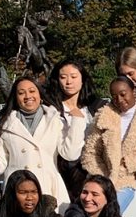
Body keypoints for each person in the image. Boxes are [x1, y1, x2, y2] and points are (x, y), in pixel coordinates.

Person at [0, 75, 84, 210]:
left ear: (40, 94)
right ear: (15, 98)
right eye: (21, 93)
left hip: (49, 189)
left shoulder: (55, 119)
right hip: (18, 193)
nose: (27, 96)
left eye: (32, 91)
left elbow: (70, 154)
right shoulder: (6, 124)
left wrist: (77, 122)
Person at [82, 76, 136, 215]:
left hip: (132, 180)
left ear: (134, 92)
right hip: (103, 181)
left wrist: (129, 161)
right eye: (114, 96)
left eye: (123, 94)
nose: (119, 100)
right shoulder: (103, 116)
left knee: (110, 212)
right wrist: (104, 178)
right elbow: (89, 154)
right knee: (82, 213)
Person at [45, 58, 105, 201]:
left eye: (73, 76)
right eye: (63, 77)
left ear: (82, 79)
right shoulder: (52, 109)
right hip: (67, 173)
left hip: (96, 171)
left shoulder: (96, 106)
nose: (68, 82)